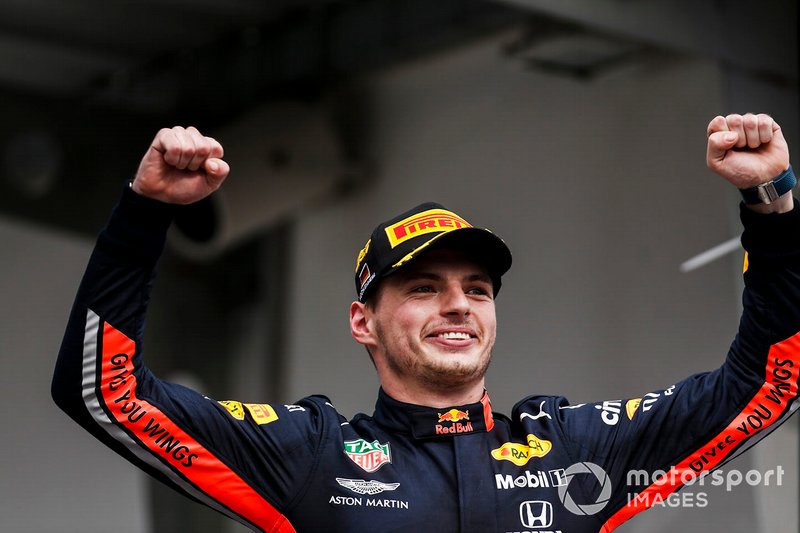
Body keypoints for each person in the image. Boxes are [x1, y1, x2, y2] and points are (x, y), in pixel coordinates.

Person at [53, 114, 800, 533]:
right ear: (363, 322)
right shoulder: (311, 455)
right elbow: (104, 393)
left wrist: (770, 207)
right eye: (422, 287)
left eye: (478, 288)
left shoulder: (576, 450)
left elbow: (770, 382)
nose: (458, 304)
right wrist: (144, 214)